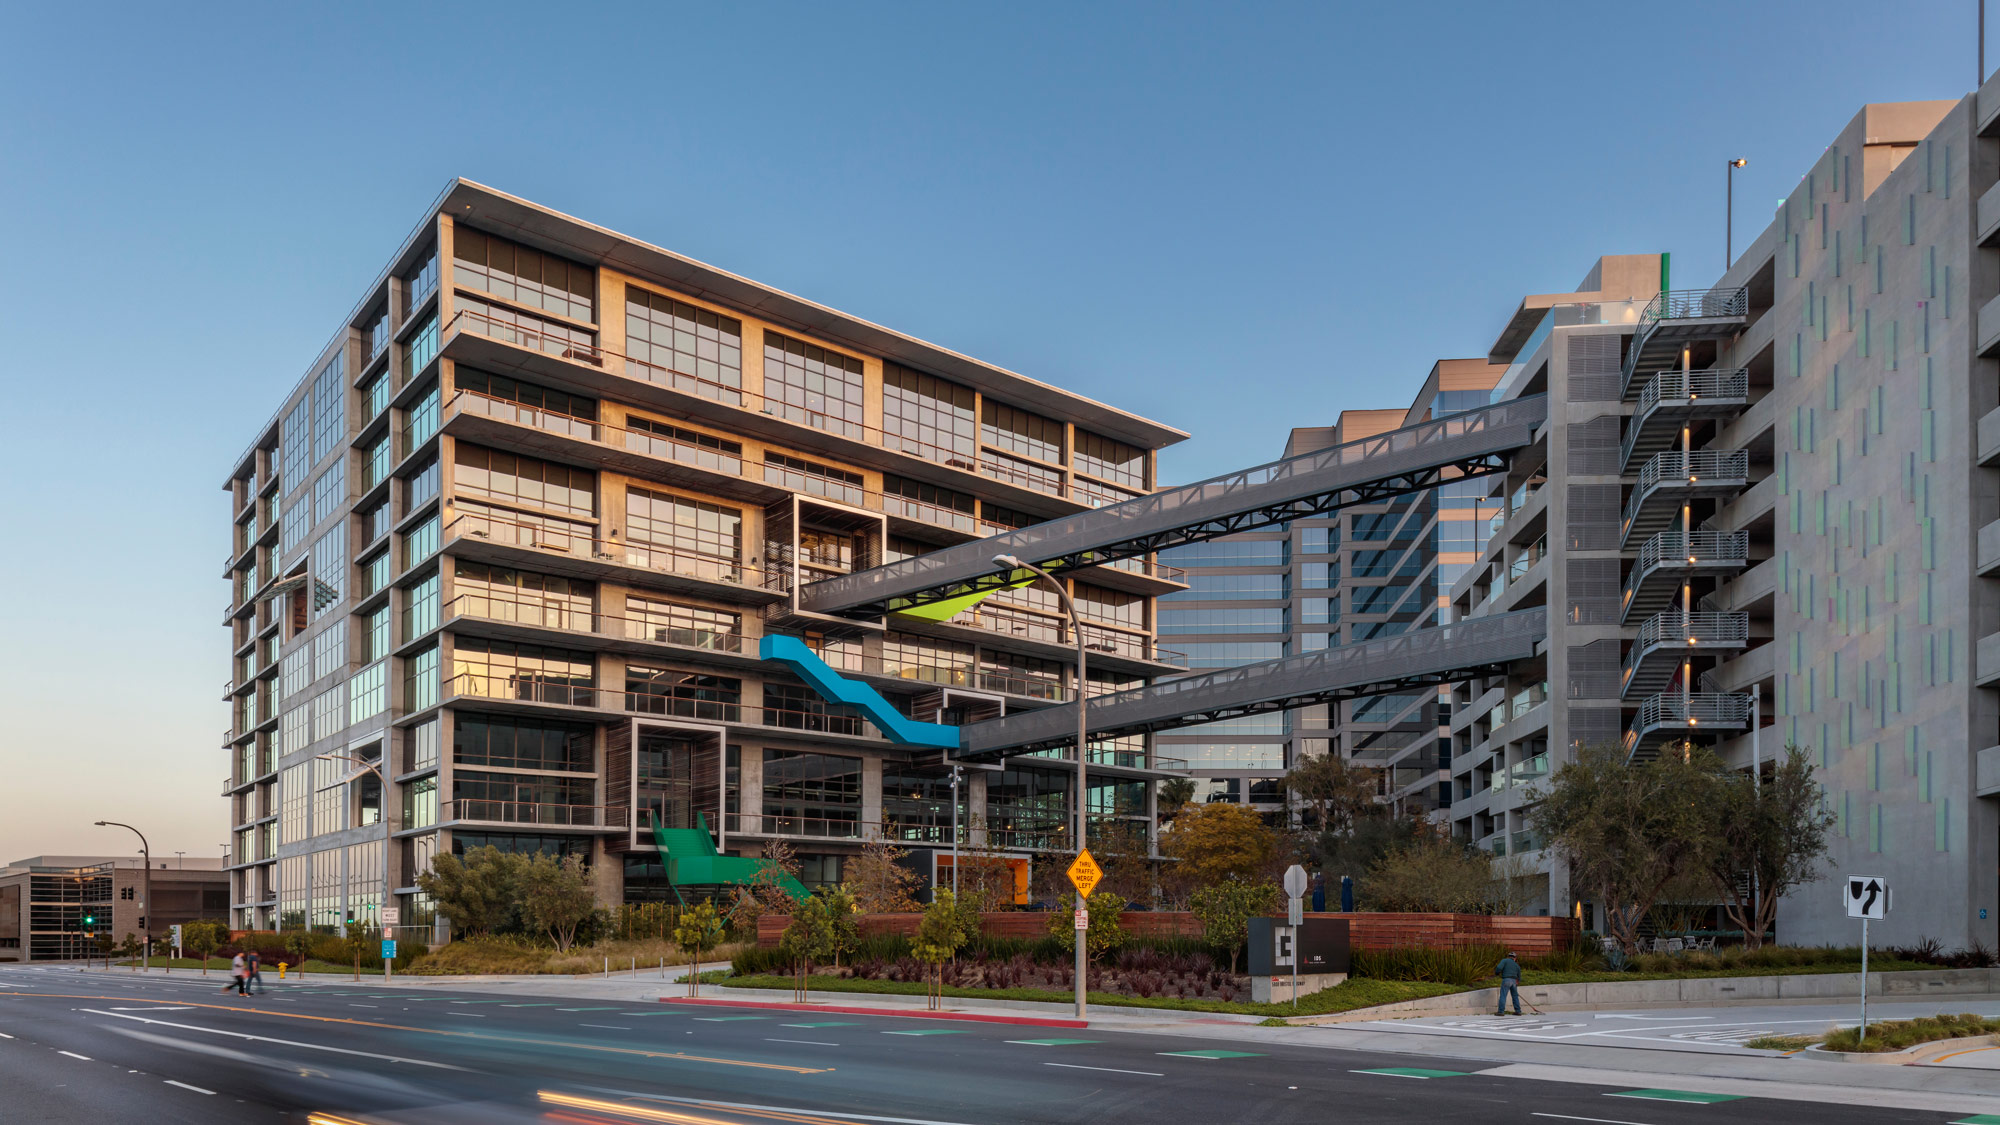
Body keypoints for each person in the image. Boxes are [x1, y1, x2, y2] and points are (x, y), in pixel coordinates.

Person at [1494, 950, 1523, 1016]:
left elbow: (1498, 967)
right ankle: (1518, 1011)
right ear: (1515, 958)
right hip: (1514, 982)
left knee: (1503, 995)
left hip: (1506, 980)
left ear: (1508, 956)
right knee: (1515, 996)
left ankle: (1501, 1011)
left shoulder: (1504, 961)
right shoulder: (1516, 965)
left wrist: (1497, 973)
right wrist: (1517, 982)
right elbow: (1519, 976)